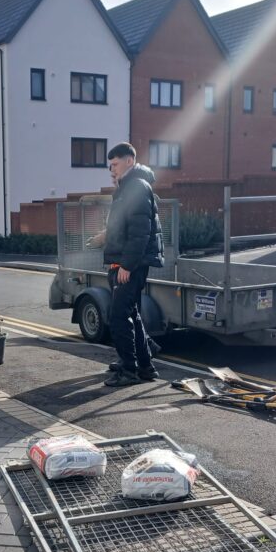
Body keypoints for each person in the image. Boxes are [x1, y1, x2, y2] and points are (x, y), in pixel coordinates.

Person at [89, 142, 164, 387]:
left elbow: (140, 233)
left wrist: (127, 266)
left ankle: (129, 370)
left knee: (119, 316)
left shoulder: (136, 187)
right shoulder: (126, 187)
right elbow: (124, 226)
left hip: (130, 265)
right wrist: (104, 237)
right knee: (131, 314)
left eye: (115, 164)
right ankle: (145, 367)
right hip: (125, 262)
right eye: (110, 165)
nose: (112, 169)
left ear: (129, 161)